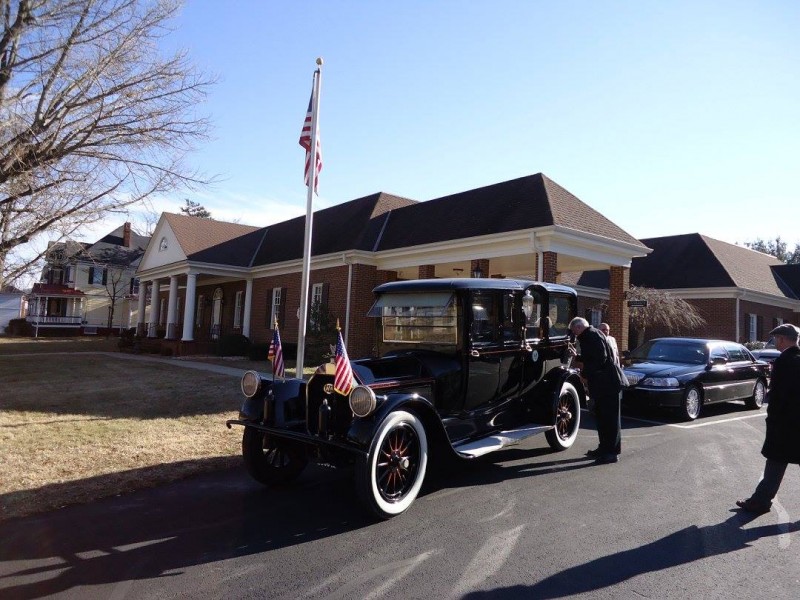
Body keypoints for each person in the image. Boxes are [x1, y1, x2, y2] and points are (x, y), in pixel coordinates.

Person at [736, 323, 800, 514]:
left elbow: (779, 394)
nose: (774, 342)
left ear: (781, 339)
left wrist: (772, 418)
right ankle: (760, 500)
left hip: (786, 422)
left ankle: (761, 501)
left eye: (775, 339)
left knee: (775, 461)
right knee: (776, 462)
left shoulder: (784, 361)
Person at [568, 317, 623, 464]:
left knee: (610, 420)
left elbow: (600, 359)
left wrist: (585, 375)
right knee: (601, 418)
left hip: (607, 383)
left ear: (579, 328)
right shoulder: (592, 335)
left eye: (574, 331)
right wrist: (578, 356)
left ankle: (611, 453)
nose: (575, 335)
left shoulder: (591, 336)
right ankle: (603, 448)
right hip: (602, 383)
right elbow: (592, 357)